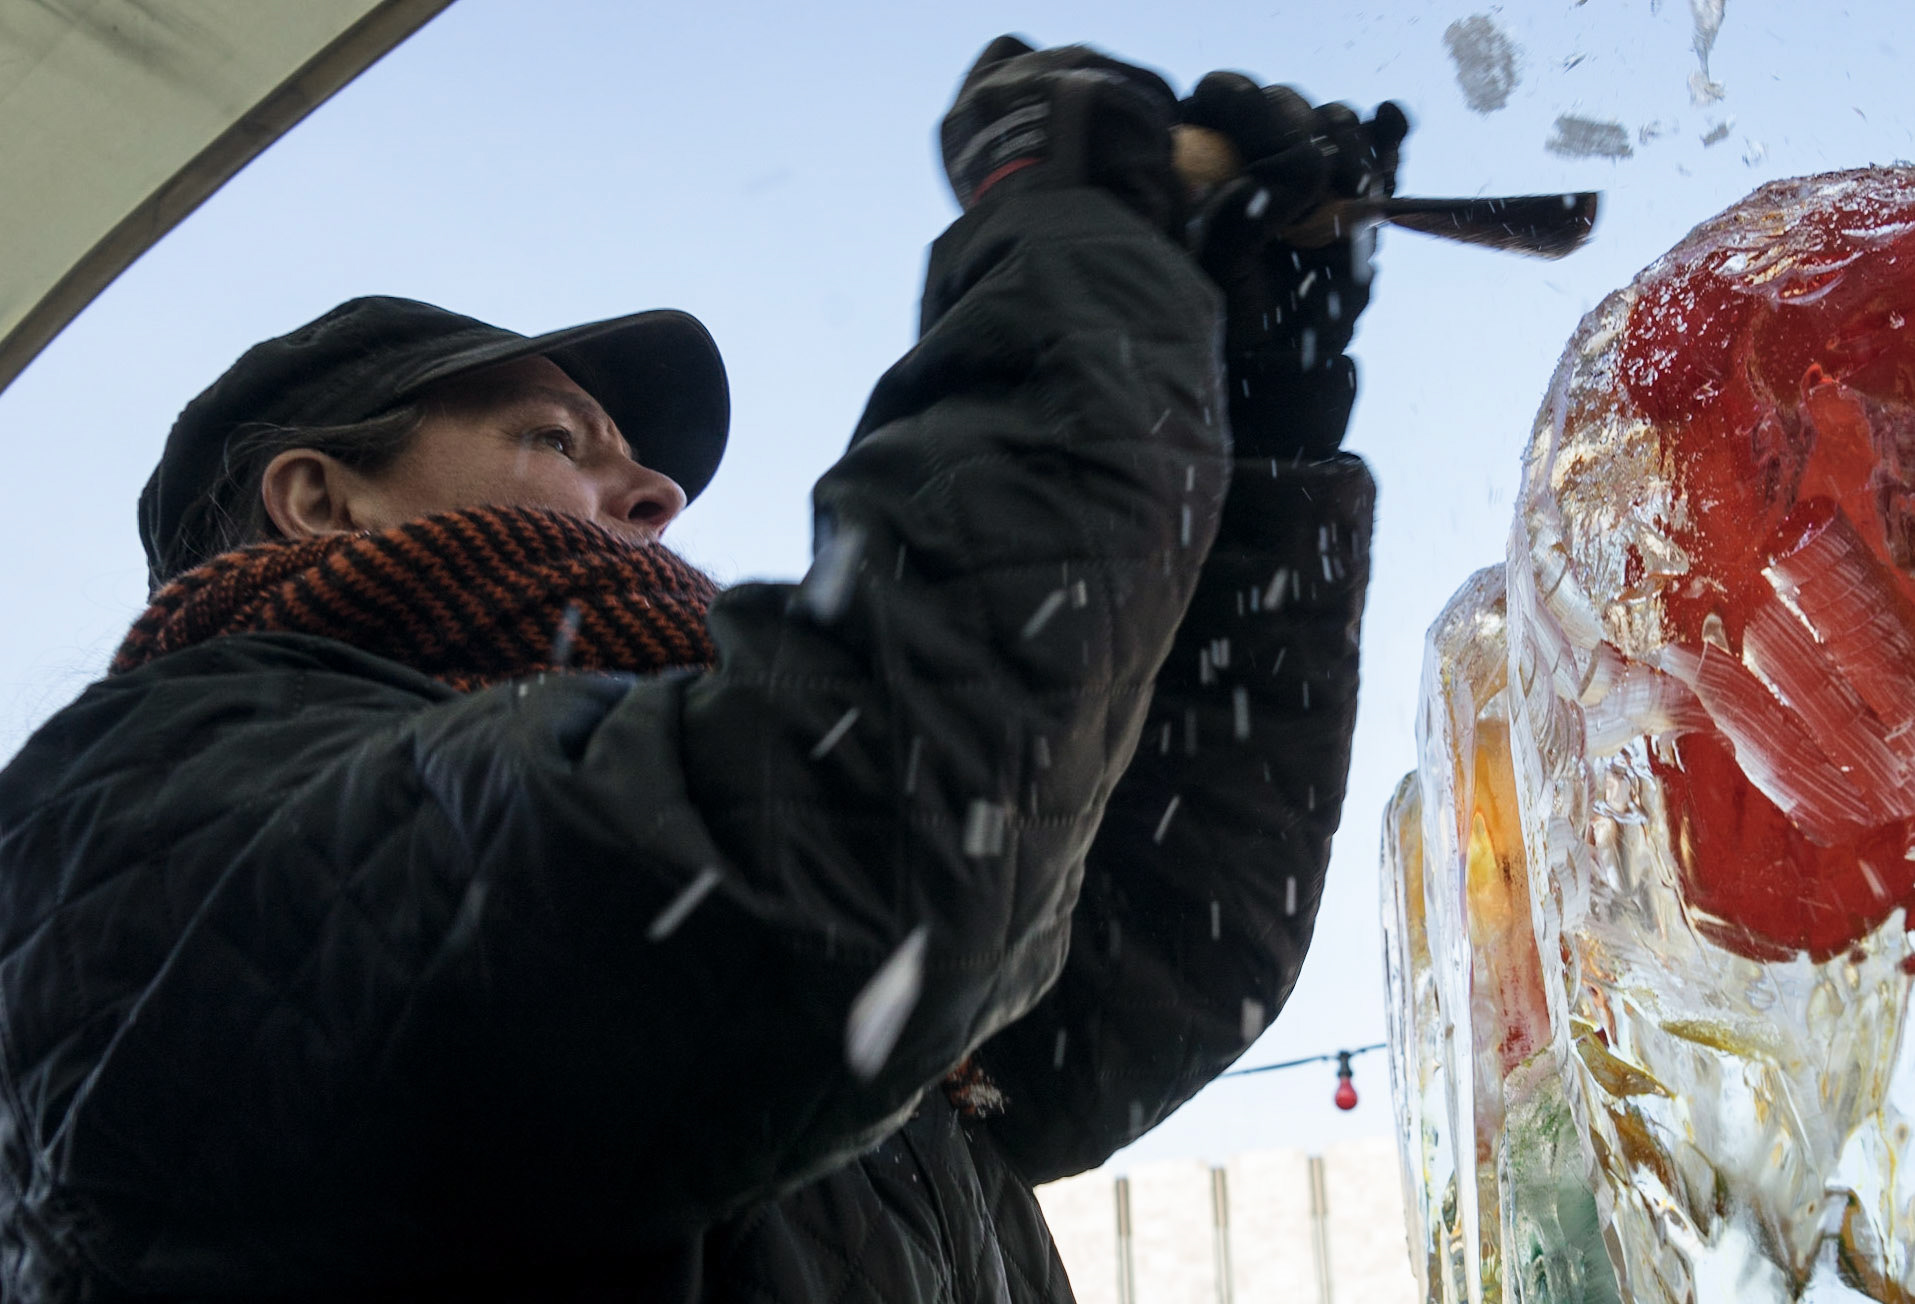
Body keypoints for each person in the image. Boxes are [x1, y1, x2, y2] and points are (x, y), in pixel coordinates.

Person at [0, 37, 1399, 1304]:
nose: (659, 489)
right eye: (559, 438)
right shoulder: (140, 819)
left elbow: (1135, 961)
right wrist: (1075, 253)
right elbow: (872, 850)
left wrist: (1247, 414)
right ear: (320, 499)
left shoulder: (649, 845)